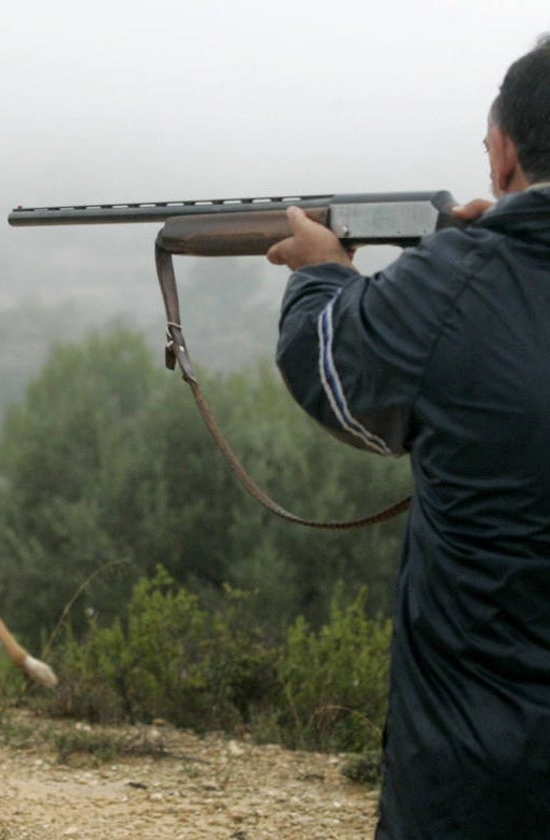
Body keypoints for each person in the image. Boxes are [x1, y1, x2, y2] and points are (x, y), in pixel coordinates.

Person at [266, 37, 550, 840]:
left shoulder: (454, 282)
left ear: (501, 156)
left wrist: (322, 271)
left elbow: (326, 366)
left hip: (474, 782)